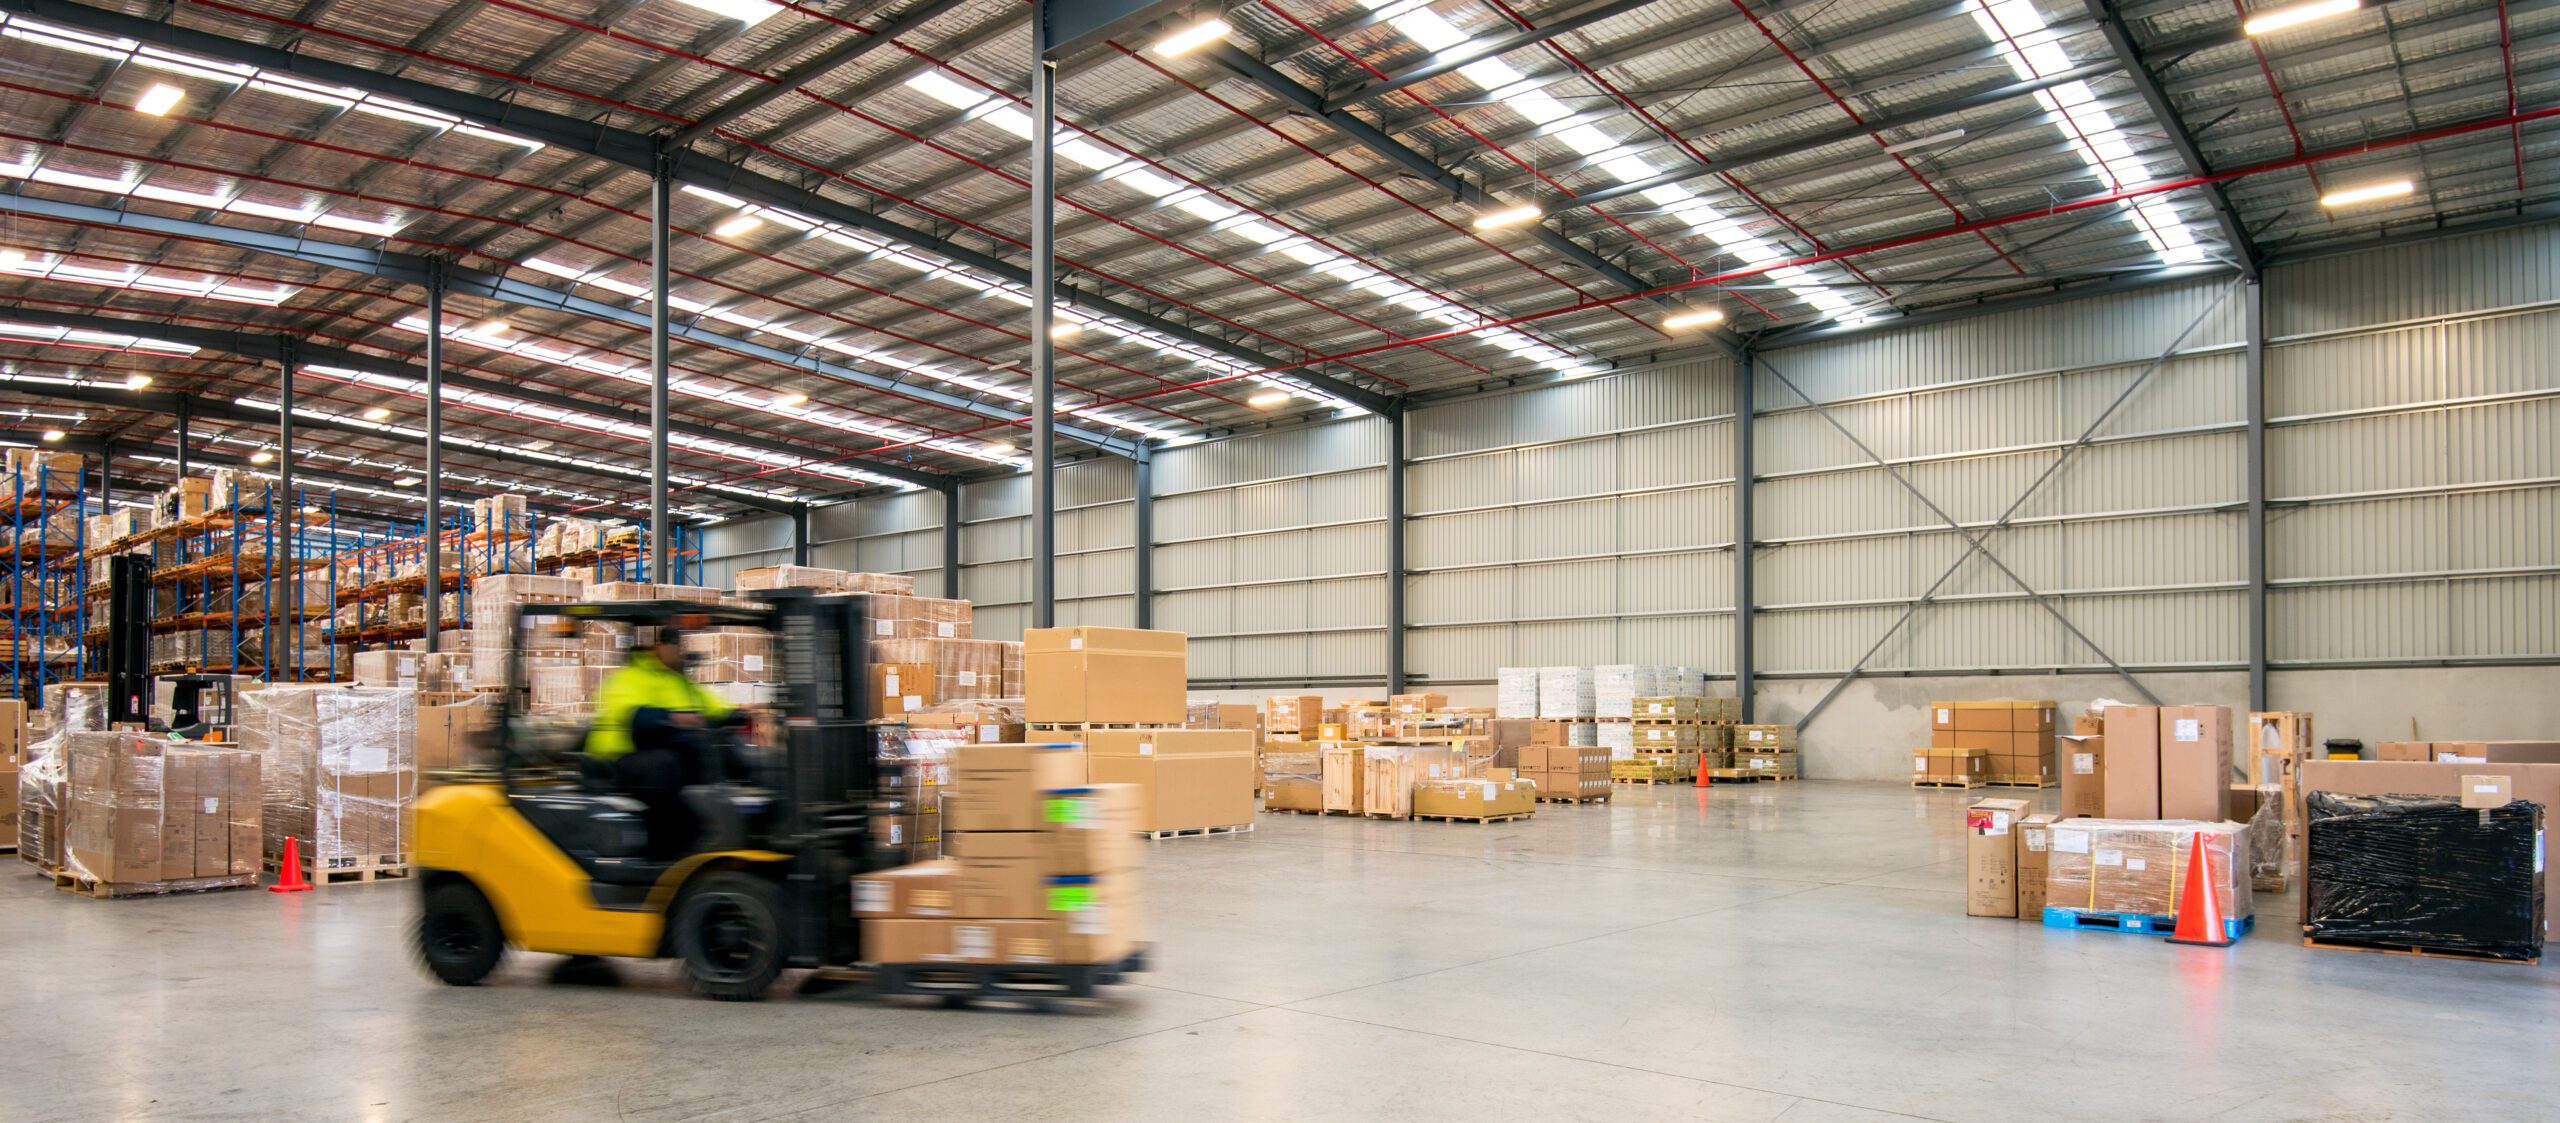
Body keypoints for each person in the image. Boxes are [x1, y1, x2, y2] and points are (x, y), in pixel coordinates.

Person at [584, 624, 737, 859]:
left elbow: (713, 707)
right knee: (665, 767)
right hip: (621, 758)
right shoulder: (630, 677)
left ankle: (722, 835)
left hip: (662, 752)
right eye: (676, 643)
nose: (682, 650)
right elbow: (634, 714)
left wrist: (743, 713)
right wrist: (676, 717)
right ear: (659, 646)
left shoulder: (678, 680)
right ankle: (665, 851)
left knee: (730, 754)